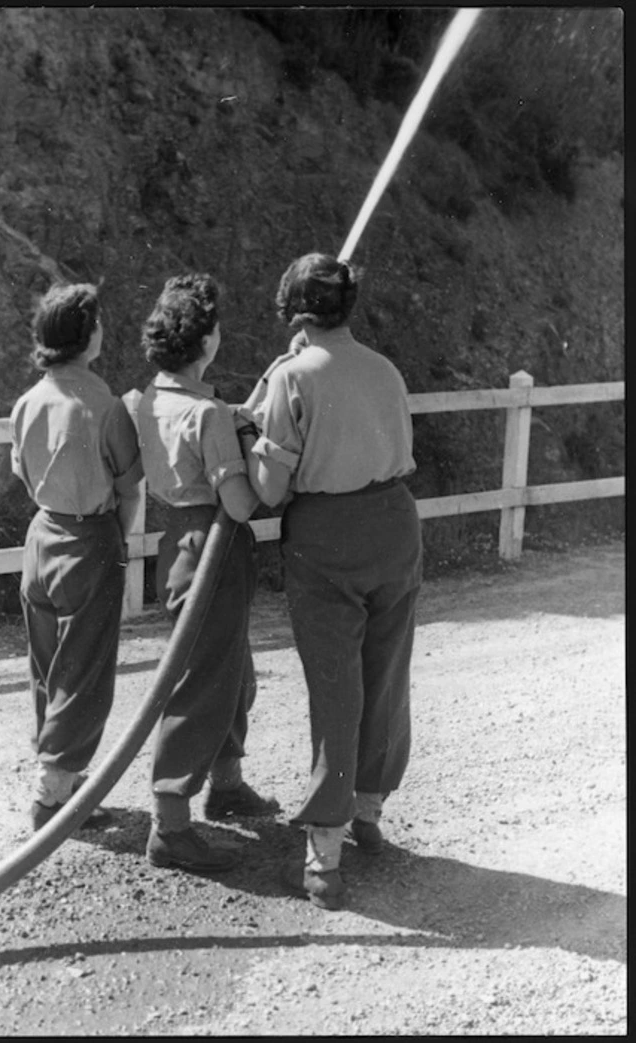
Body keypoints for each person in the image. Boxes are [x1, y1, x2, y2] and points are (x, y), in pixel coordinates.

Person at [242, 252, 423, 909]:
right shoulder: (384, 369)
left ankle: (325, 852)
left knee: (336, 686)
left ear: (295, 311)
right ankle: (367, 809)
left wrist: (249, 431)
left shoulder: (290, 378)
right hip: (395, 524)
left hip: (327, 537)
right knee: (385, 671)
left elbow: (269, 490)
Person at [137, 272, 279, 874]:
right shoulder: (210, 415)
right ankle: (170, 823)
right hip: (214, 548)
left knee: (232, 668)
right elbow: (243, 505)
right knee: (204, 681)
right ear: (207, 342)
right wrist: (251, 441)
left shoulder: (148, 400)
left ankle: (227, 783)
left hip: (178, 542)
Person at [10, 282, 144, 832]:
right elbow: (131, 488)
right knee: (84, 673)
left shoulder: (28, 401)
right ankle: (51, 792)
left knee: (47, 667)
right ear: (86, 337)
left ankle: (60, 780)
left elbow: (22, 472)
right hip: (89, 540)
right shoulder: (104, 406)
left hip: (40, 536)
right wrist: (118, 540)